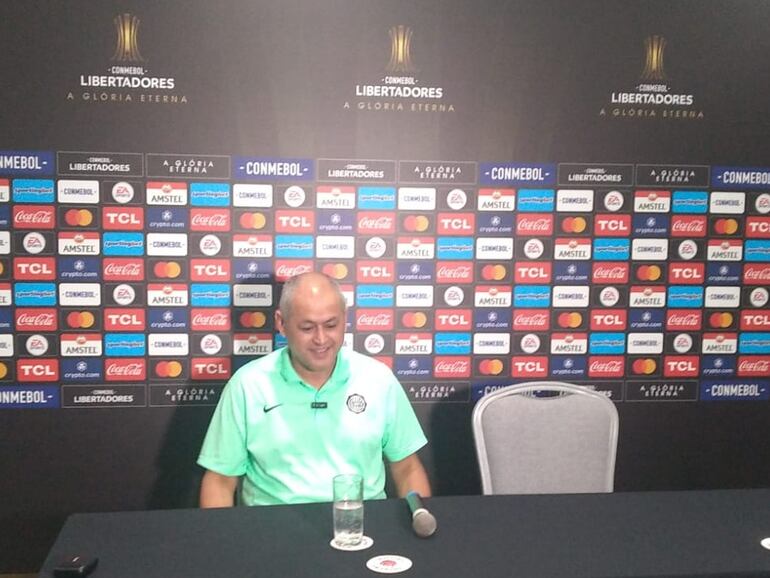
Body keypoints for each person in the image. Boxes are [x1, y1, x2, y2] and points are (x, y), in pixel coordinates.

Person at [198, 271, 431, 507]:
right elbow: (220, 480)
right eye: (307, 328)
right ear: (281, 323)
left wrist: (420, 518)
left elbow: (407, 467)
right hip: (272, 530)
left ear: (344, 318)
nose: (321, 339)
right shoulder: (248, 385)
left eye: (331, 325)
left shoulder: (378, 379)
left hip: (362, 528)